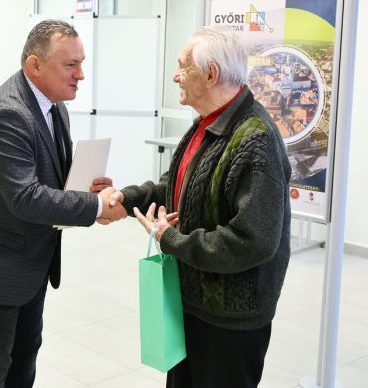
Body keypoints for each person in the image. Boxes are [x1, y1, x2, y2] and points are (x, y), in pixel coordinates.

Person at [0, 19, 127, 388]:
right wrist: (94, 207)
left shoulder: (53, 105)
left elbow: (50, 175)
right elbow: (25, 198)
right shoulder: (8, 114)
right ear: (35, 65)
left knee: (24, 358)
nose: (80, 75)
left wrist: (90, 192)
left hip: (28, 263)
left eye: (81, 63)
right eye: (70, 65)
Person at [110, 25, 291, 388]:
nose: (175, 76)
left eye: (183, 66)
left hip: (229, 321)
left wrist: (172, 240)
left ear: (211, 75)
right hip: (193, 304)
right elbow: (175, 188)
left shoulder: (255, 139)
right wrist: (125, 201)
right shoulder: (205, 125)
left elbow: (253, 240)